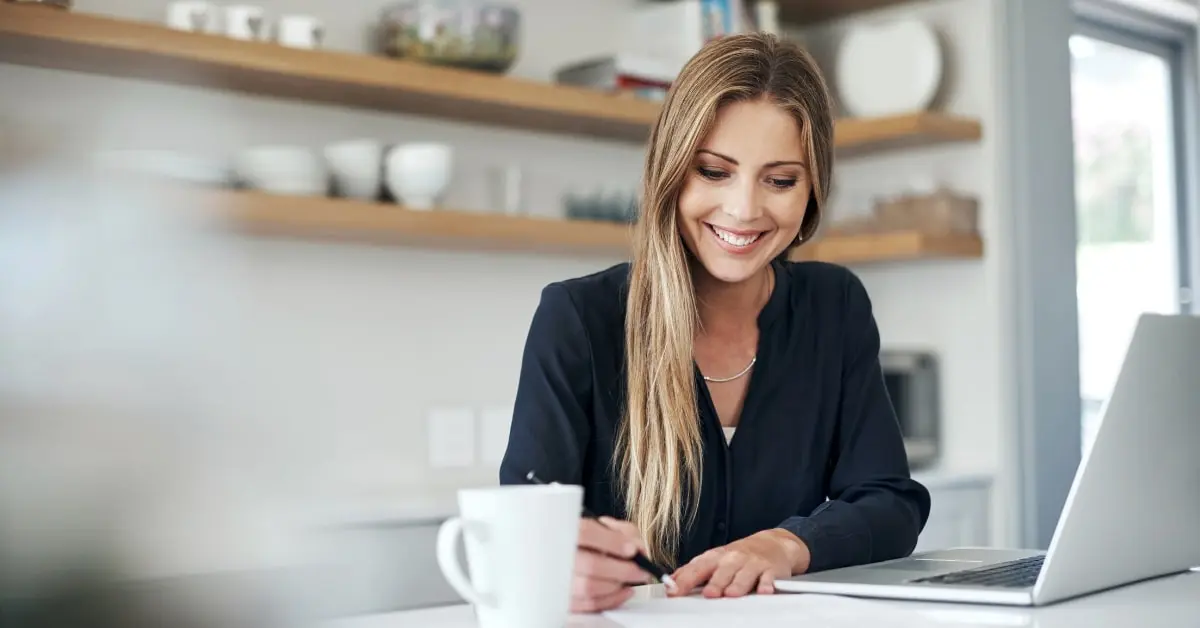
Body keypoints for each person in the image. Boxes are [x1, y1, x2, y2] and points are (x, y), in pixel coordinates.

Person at [499, 32, 931, 613]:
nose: (745, 209)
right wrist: (554, 565)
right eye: (713, 171)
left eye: (780, 180)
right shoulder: (578, 318)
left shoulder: (836, 306)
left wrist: (787, 544)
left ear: (812, 191)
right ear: (672, 172)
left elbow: (890, 502)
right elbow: (522, 524)